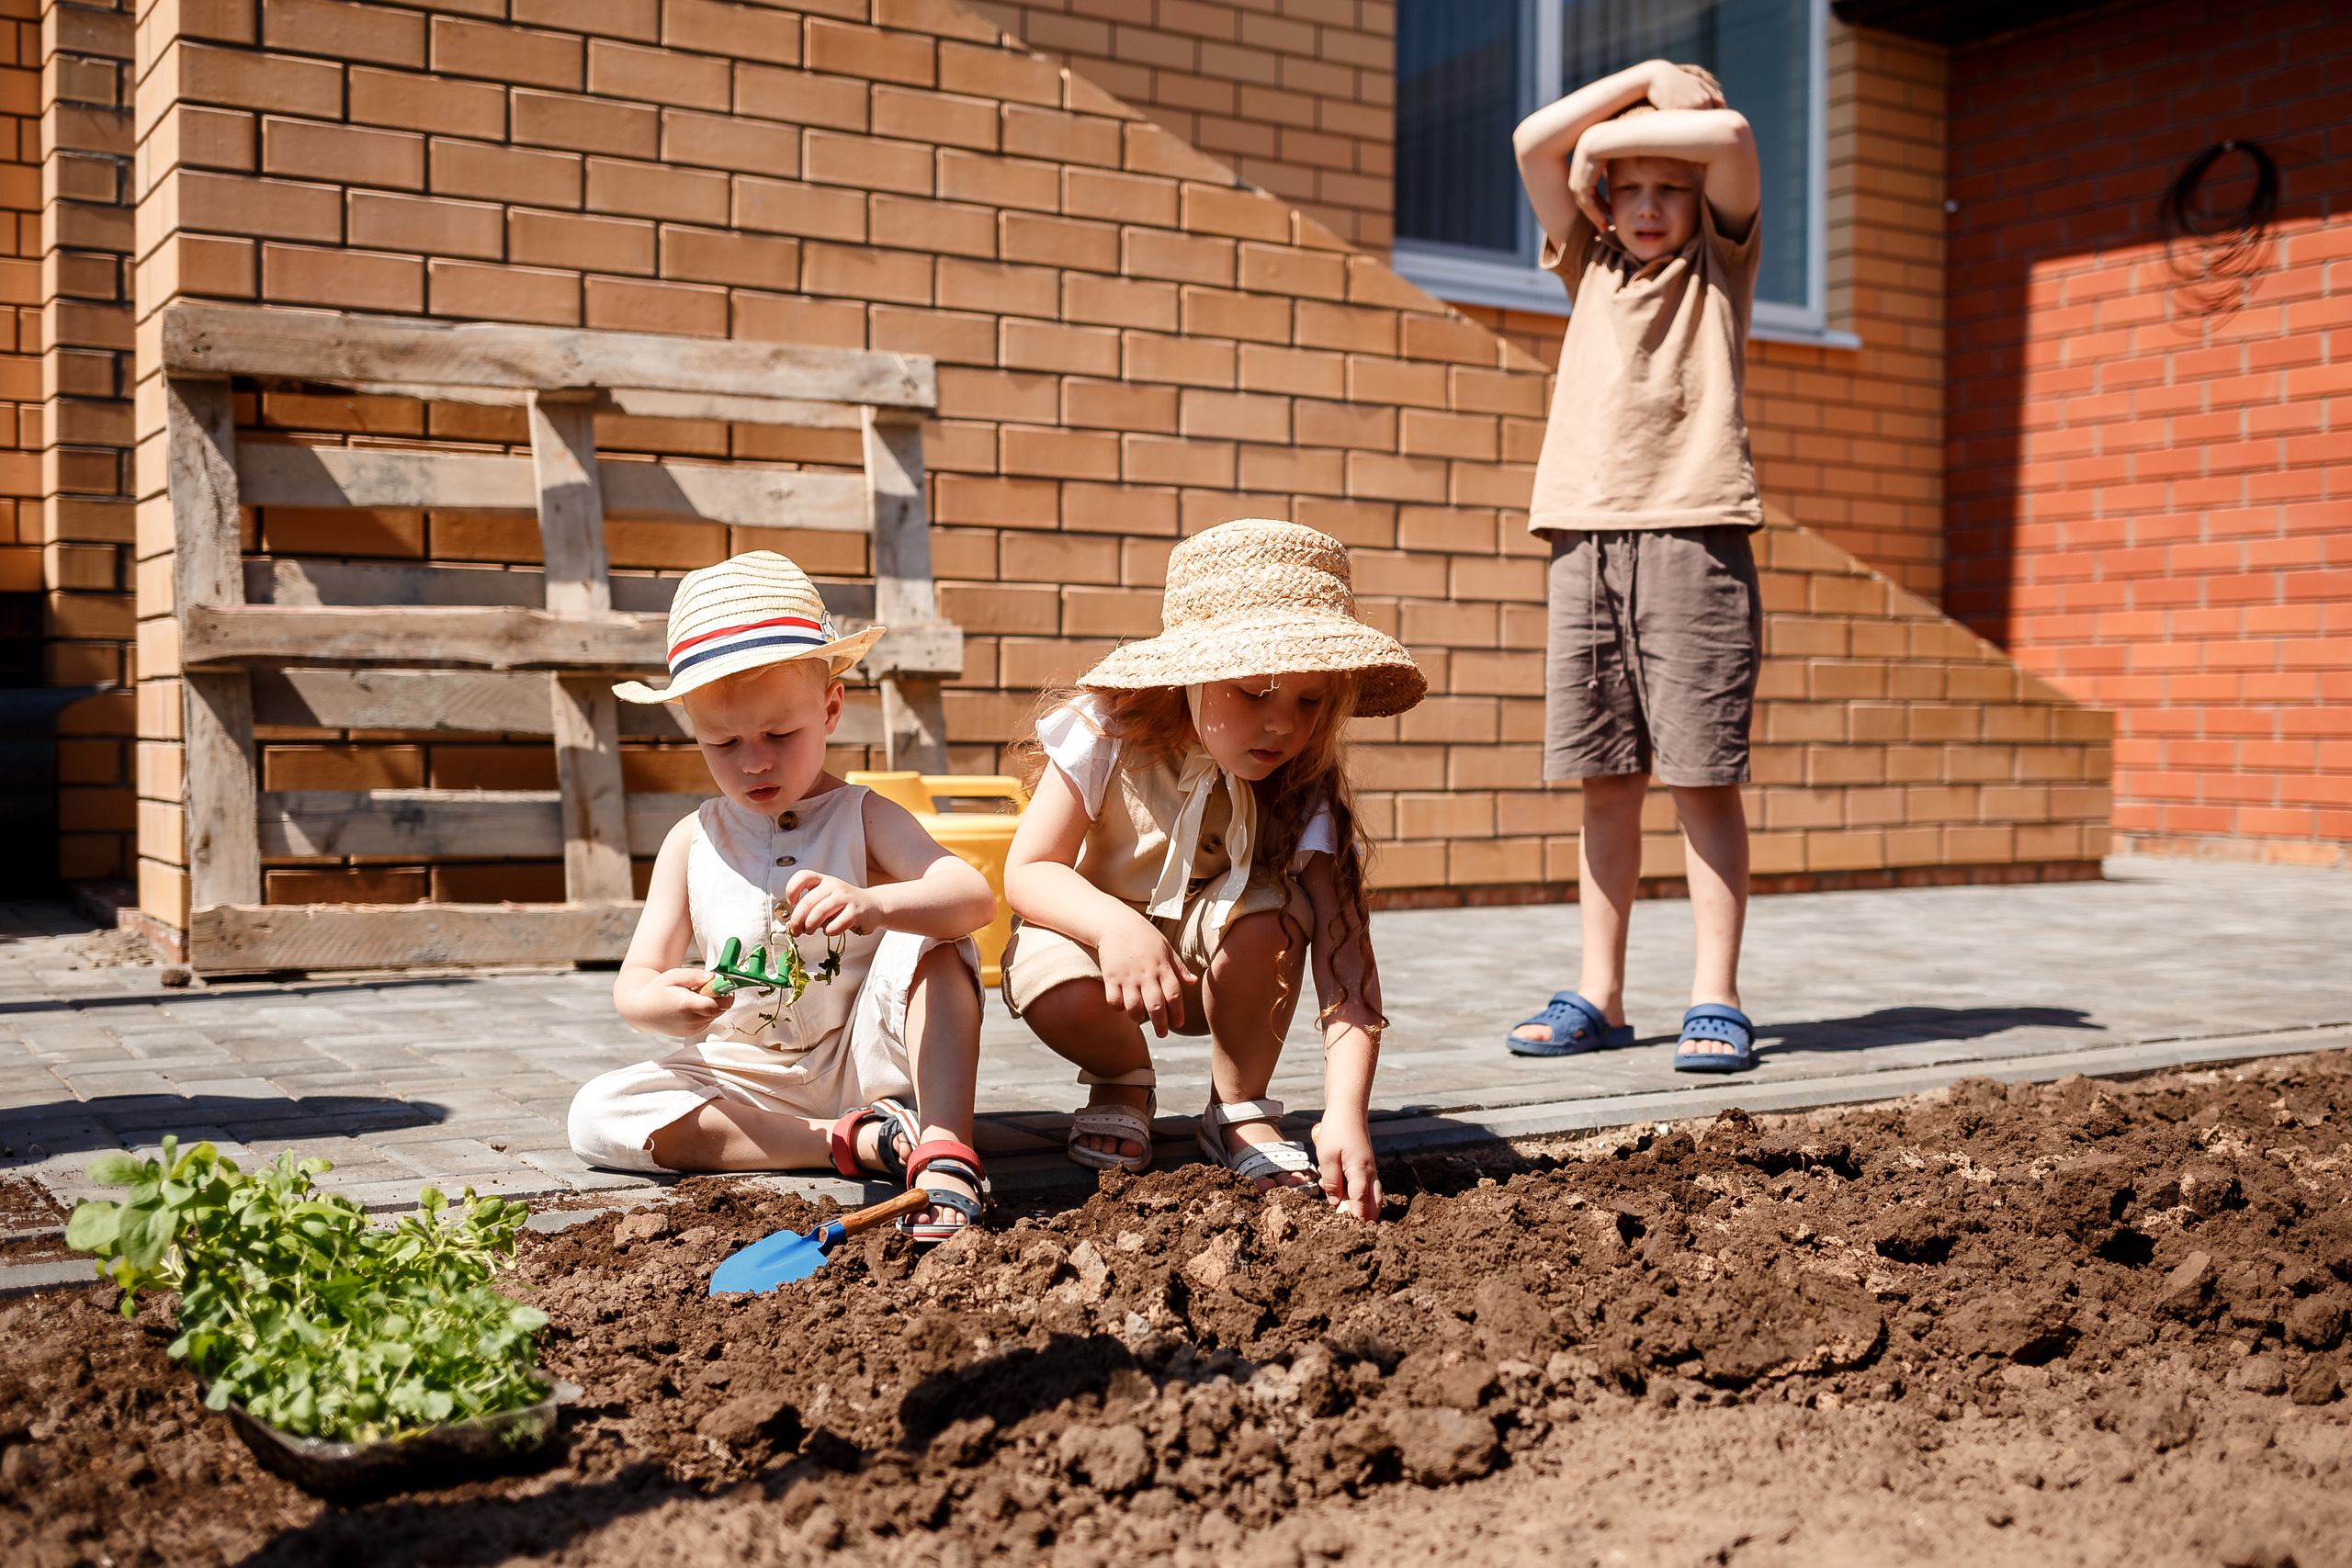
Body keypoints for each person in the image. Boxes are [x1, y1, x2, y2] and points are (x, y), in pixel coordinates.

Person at [566, 551, 999, 1243]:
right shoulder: (693, 839)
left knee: (937, 933)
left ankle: (944, 1148)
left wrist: (878, 905)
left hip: (867, 1055)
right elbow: (634, 981)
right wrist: (668, 1004)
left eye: (779, 734)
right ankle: (851, 1142)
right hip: (751, 1077)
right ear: (694, 734)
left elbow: (972, 894)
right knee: (595, 1114)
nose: (754, 761)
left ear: (830, 707)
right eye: (724, 740)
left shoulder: (863, 814)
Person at [1000, 520, 1422, 1221]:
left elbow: (1348, 963)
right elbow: (1027, 869)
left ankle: (1238, 1105)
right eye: (1255, 693)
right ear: (1192, 675)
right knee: (1045, 969)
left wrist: (1347, 1113)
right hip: (1104, 971)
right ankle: (1121, 1079)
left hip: (1215, 985)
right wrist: (1113, 928)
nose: (1283, 725)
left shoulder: (1306, 780)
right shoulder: (1105, 730)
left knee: (1280, 916)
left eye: (1308, 700)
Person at [1506, 59, 1768, 1073]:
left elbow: (1736, 139)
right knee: (1603, 779)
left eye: (1672, 186)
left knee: (1701, 777)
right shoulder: (1590, 263)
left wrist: (1607, 146)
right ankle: (1600, 995)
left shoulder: (1719, 261)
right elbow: (1535, 141)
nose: (1651, 206)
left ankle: (1716, 997)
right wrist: (1646, 79)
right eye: (1630, 189)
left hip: (1694, 528)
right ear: (1601, 205)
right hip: (1581, 532)